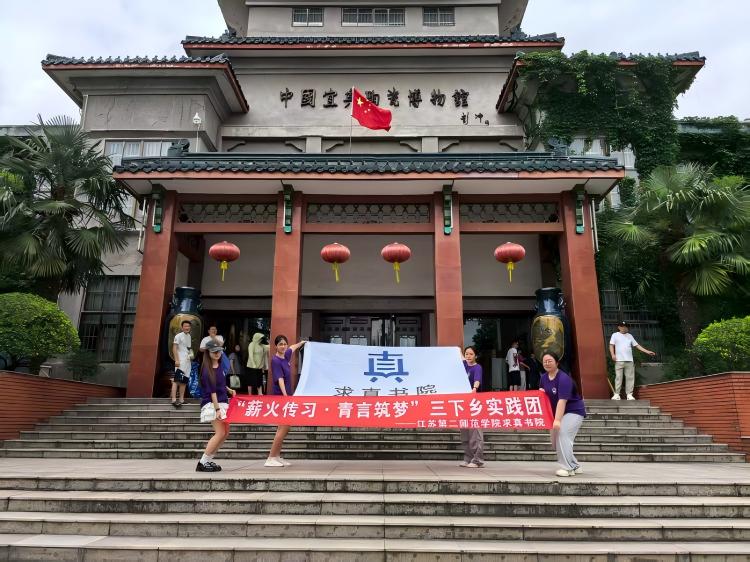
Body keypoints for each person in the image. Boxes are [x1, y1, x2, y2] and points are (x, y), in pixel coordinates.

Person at [539, 352, 586, 477]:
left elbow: (562, 401)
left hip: (573, 411)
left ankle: (567, 468)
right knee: (555, 442)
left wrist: (557, 420)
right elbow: (543, 396)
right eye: (544, 361)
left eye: (550, 361)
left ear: (557, 363)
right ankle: (574, 465)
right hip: (556, 413)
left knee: (562, 434)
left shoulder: (564, 378)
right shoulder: (543, 378)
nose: (547, 363)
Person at [264, 335, 306, 468]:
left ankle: (276, 456)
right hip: (281, 397)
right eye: (280, 344)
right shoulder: (275, 361)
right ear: (275, 346)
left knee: (285, 428)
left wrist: (301, 343)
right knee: (283, 428)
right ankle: (271, 457)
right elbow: (280, 379)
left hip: (287, 397)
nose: (283, 346)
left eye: (284, 344)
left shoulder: (286, 356)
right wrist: (285, 396)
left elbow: (292, 348)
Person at [196, 339, 236, 472]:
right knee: (220, 432)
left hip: (222, 401)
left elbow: (220, 384)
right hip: (213, 404)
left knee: (225, 432)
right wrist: (217, 409)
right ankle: (203, 462)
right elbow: (212, 391)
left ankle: (208, 459)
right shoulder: (207, 370)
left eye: (219, 351)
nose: (217, 353)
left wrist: (228, 390)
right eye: (214, 352)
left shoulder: (219, 366)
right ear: (208, 353)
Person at [609, 321, 656, 400]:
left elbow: (637, 345)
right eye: (623, 326)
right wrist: (613, 355)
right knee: (618, 377)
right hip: (619, 360)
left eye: (626, 326)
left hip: (629, 360)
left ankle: (629, 394)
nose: (625, 328)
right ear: (619, 327)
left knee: (630, 378)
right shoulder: (615, 335)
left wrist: (647, 351)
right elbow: (611, 345)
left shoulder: (630, 335)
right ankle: (617, 394)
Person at [459, 345, 484, 468]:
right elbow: (459, 356)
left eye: (471, 354)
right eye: (467, 354)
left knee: (475, 431)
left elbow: (477, 380)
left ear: (476, 356)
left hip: (474, 403)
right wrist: (456, 350)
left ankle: (477, 459)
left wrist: (474, 388)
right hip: (463, 403)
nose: (468, 356)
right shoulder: (464, 365)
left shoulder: (477, 367)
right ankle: (468, 457)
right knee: (464, 431)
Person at [171, 320, 192, 408]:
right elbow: (174, 348)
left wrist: (191, 355)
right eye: (185, 326)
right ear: (182, 327)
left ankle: (181, 400)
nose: (187, 327)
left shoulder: (189, 336)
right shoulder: (178, 336)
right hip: (180, 361)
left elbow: (188, 348)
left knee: (184, 381)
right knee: (177, 380)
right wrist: (176, 360)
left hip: (187, 361)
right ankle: (173, 400)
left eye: (188, 326)